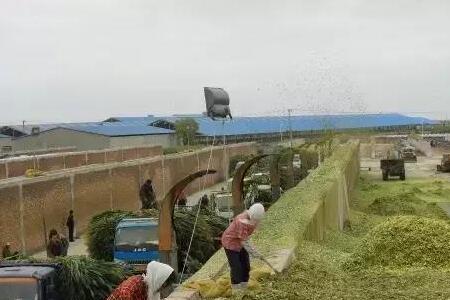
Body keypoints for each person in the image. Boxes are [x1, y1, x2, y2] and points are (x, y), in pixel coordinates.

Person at [221, 203, 265, 293]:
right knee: (236, 267)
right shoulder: (241, 220)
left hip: (240, 243)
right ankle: (236, 289)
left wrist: (254, 250)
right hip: (231, 243)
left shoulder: (253, 220)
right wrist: (254, 253)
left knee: (246, 265)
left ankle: (244, 286)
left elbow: (246, 238)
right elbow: (244, 241)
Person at [106, 261, 174, 300]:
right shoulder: (131, 289)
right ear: (157, 279)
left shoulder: (150, 287)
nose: (161, 289)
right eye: (162, 285)